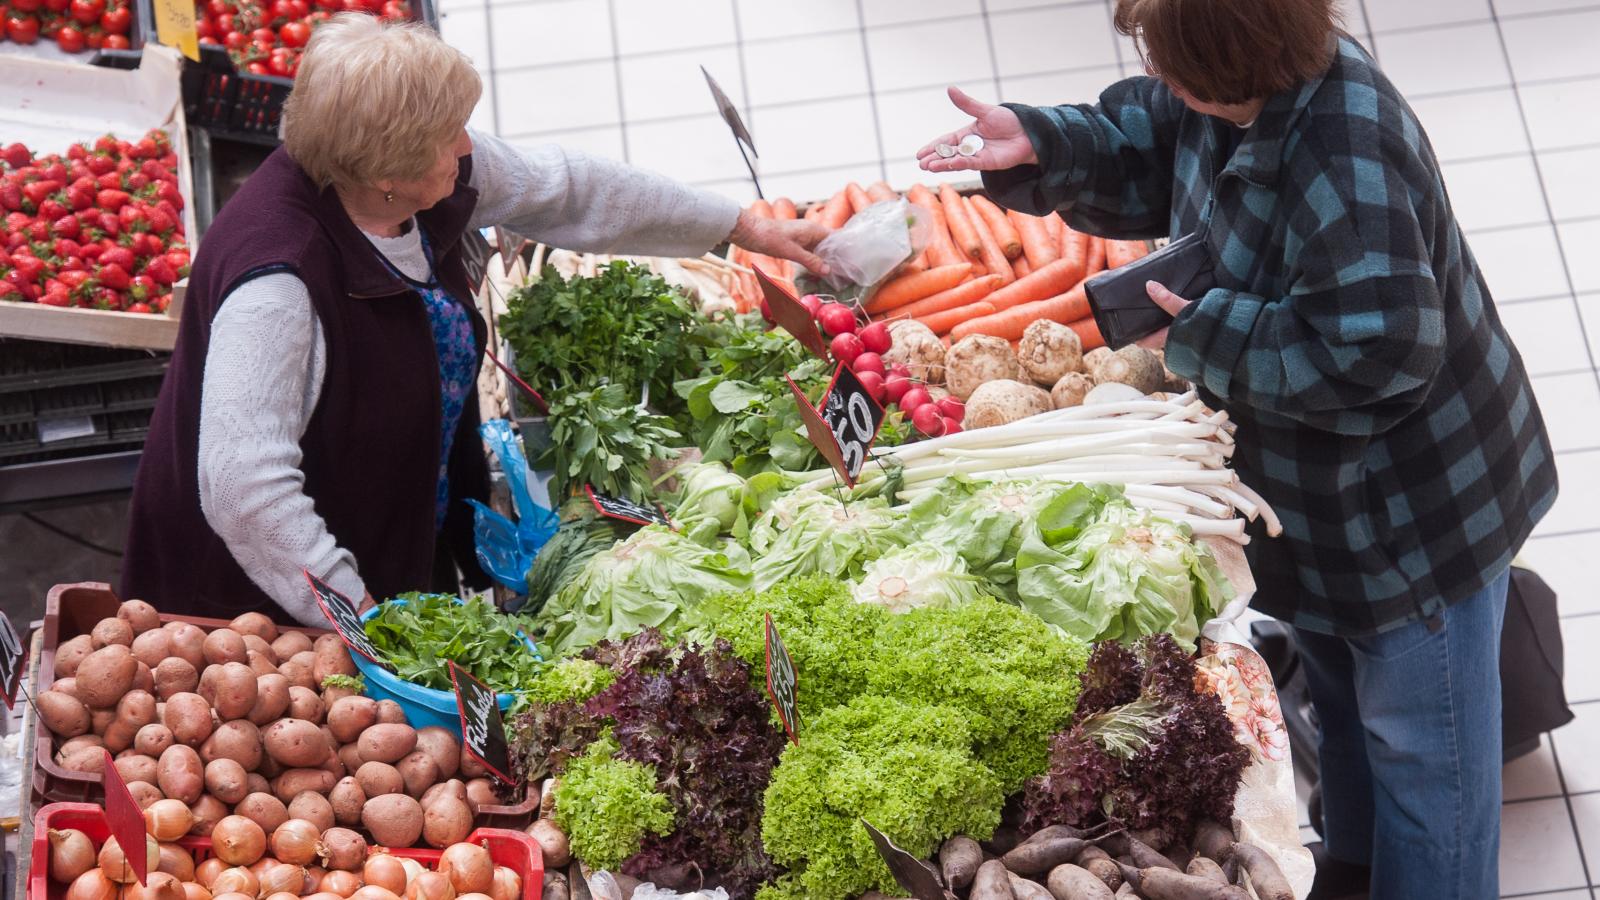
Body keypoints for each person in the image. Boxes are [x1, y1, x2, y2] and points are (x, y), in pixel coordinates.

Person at [917, 1, 1557, 898]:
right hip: (1321, 507)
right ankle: (1356, 871)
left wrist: (1211, 331)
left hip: (1415, 520)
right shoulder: (1238, 91)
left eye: (1169, 55)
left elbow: (1380, 353)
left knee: (1425, 762)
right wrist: (1044, 143)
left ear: (1230, 54)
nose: (1155, 69)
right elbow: (1150, 132)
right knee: (1339, 707)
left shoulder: (1346, 154)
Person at [122, 13, 826, 628]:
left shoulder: (412, 175)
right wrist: (361, 617)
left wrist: (740, 226)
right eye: (448, 137)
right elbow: (244, 488)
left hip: (391, 522)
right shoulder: (279, 280)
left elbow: (570, 189)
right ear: (386, 172)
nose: (467, 147)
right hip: (258, 602)